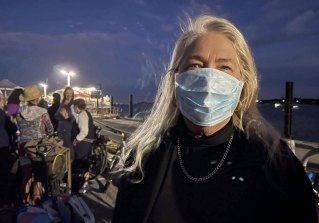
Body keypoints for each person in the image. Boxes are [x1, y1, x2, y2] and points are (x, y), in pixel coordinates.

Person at [112, 15, 317, 223]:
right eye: (195, 66)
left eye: (224, 67)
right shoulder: (144, 156)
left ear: (242, 83)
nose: (209, 79)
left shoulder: (278, 166)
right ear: (175, 80)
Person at [16, 85, 54, 204]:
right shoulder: (43, 112)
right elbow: (50, 129)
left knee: (26, 176)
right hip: (37, 148)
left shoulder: (19, 112)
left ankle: (25, 202)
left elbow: (20, 127)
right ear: (37, 98)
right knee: (39, 176)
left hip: (23, 146)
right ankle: (38, 202)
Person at [71, 98, 95, 194]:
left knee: (81, 163)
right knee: (85, 163)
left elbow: (84, 131)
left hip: (83, 142)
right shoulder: (85, 113)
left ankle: (82, 185)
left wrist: (76, 139)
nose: (73, 108)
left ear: (77, 106)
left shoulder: (82, 115)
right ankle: (85, 184)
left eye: (74, 107)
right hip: (86, 142)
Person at [55, 87, 75, 160]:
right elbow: (56, 115)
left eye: (70, 93)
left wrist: (67, 117)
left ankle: (71, 164)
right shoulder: (62, 103)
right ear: (64, 94)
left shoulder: (73, 104)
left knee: (69, 148)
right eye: (67, 93)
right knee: (61, 148)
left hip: (68, 130)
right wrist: (62, 117)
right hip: (60, 129)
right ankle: (64, 165)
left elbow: (74, 118)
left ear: (73, 95)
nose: (69, 95)